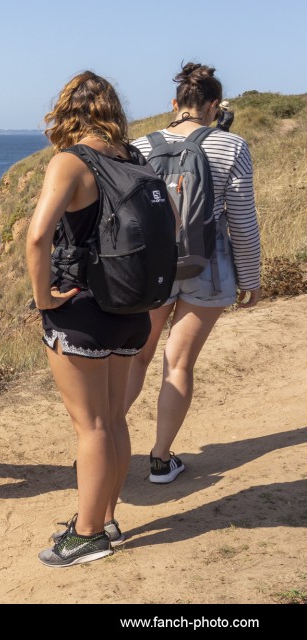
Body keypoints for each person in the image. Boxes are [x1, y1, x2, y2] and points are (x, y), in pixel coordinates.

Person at [26, 71, 150, 566]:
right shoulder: (133, 159)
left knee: (91, 425)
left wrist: (43, 299)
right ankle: (107, 518)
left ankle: (87, 533)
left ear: (67, 111)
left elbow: (37, 238)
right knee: (113, 419)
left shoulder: (72, 162)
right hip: (131, 310)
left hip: (82, 312)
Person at [124, 63, 262, 483]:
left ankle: (103, 441)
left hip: (152, 266)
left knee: (137, 356)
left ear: (175, 104)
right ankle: (161, 459)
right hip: (210, 264)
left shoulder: (140, 147)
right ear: (213, 106)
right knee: (178, 362)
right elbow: (242, 220)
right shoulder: (232, 146)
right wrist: (250, 277)